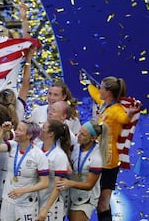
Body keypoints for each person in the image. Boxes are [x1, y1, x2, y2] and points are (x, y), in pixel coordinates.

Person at [87, 76, 141, 221]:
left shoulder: (116, 110)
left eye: (102, 88)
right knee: (100, 202)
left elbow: (125, 119)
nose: (99, 90)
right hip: (100, 157)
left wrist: (130, 113)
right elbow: (94, 93)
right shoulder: (105, 104)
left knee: (103, 202)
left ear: (109, 92)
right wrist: (88, 82)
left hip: (109, 161)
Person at [0, 120, 49, 221]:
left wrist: (23, 190)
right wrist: (3, 132)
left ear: (29, 135)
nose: (16, 132)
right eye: (17, 129)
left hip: (26, 204)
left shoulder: (38, 155)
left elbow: (45, 183)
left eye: (20, 130)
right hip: (8, 201)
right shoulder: (13, 146)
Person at [56, 120, 109, 221]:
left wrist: (70, 183)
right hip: (70, 193)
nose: (78, 136)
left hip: (85, 198)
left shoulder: (96, 158)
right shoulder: (77, 144)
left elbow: (89, 185)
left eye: (83, 134)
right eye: (79, 132)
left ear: (93, 138)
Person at [37, 119, 71, 221]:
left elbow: (58, 187)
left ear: (51, 134)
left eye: (43, 128)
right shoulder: (37, 147)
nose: (40, 129)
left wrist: (45, 209)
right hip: (36, 200)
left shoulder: (59, 156)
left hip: (50, 205)